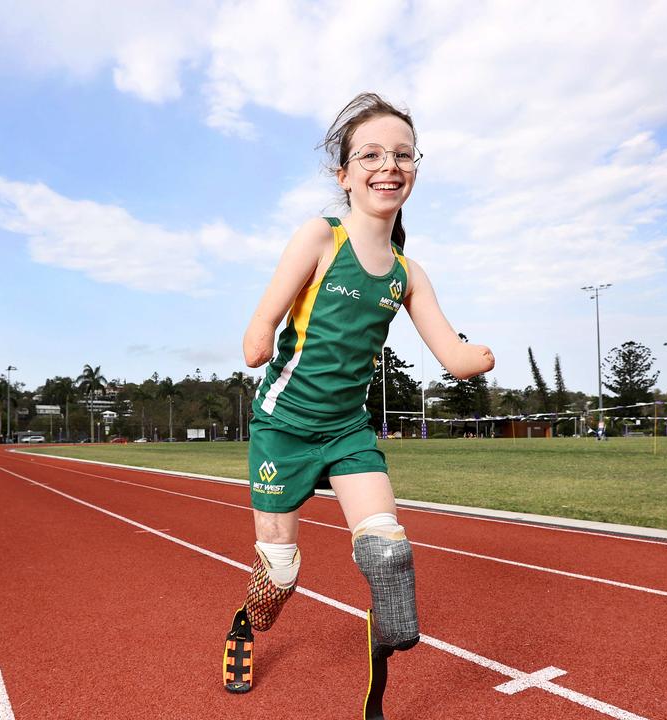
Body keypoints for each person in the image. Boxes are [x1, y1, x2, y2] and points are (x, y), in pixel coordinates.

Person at [220, 93, 494, 713]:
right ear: (343, 174)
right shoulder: (321, 237)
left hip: (347, 430)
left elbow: (450, 355)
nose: (388, 165)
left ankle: (383, 654)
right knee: (281, 576)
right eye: (371, 154)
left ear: (415, 171)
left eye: (402, 155)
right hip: (283, 427)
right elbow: (260, 322)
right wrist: (259, 335)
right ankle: (247, 618)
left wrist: (476, 356)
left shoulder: (407, 272)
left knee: (388, 551)